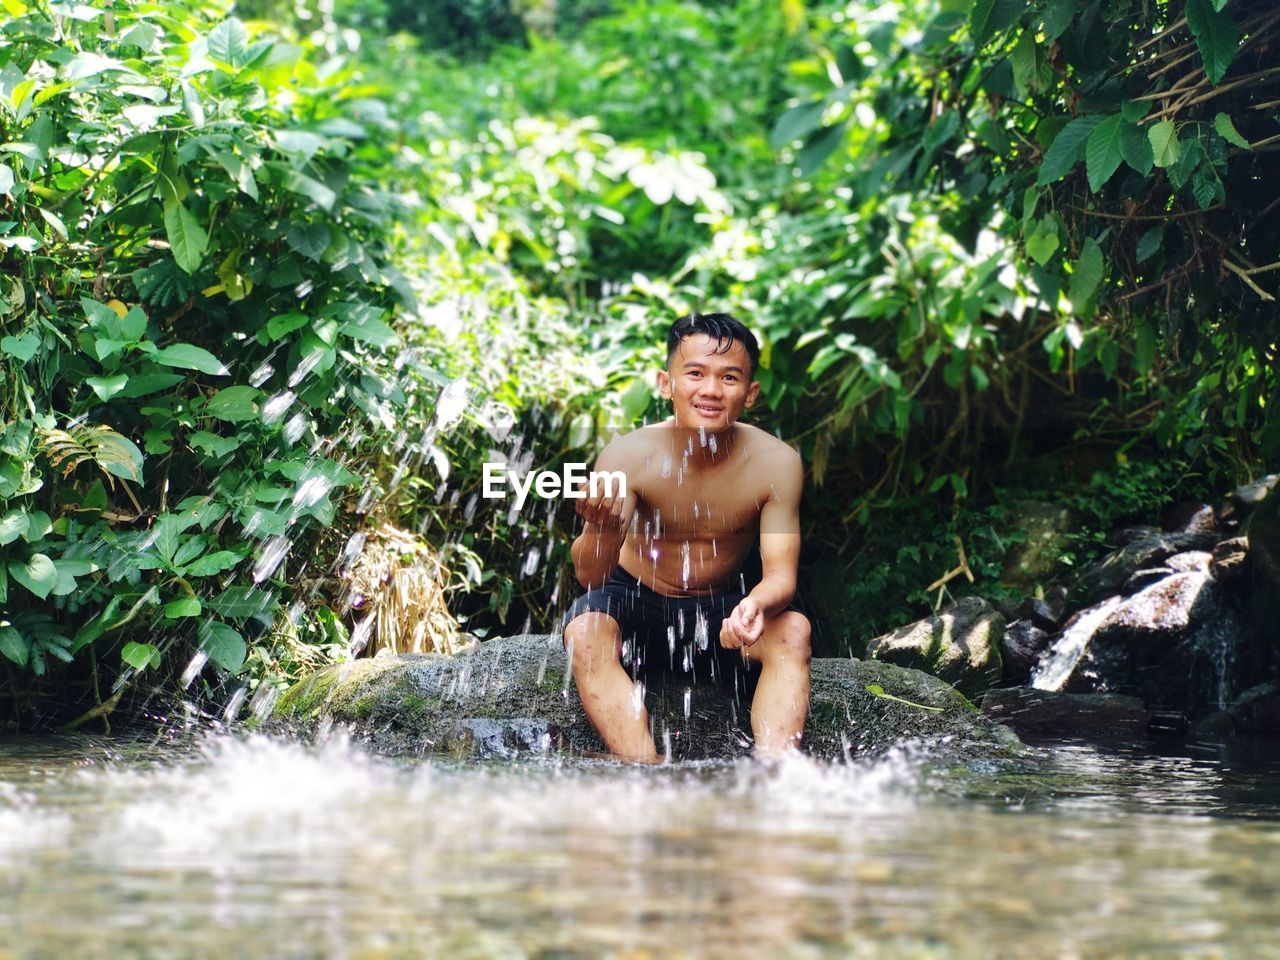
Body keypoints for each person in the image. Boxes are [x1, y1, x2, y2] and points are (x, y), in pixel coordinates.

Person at [562, 312, 811, 762]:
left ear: (750, 393)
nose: (711, 390)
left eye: (729, 377)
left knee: (792, 628)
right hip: (636, 600)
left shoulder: (777, 463)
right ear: (666, 383)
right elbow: (591, 578)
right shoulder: (628, 455)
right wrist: (602, 527)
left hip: (722, 614)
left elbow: (781, 576)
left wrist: (755, 605)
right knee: (584, 630)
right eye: (694, 373)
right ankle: (642, 766)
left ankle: (777, 775)